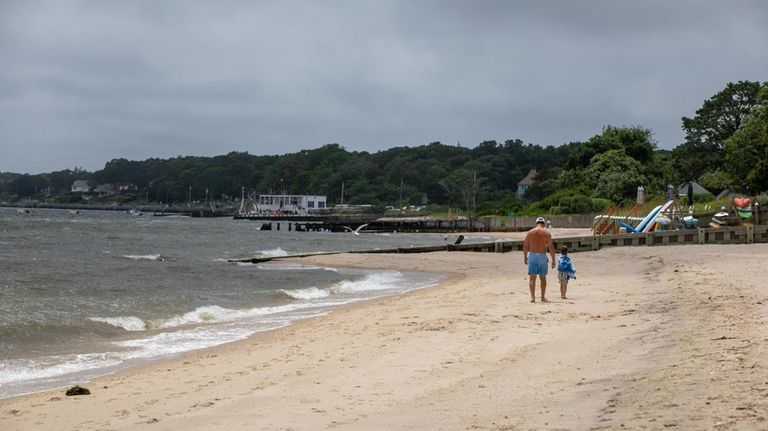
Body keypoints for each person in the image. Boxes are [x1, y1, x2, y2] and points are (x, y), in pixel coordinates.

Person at [523, 216, 555, 302]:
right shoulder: (547, 233)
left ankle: (532, 297)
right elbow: (551, 247)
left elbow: (525, 245)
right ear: (544, 224)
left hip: (532, 255)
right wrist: (553, 260)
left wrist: (525, 257)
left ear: (536, 223)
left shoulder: (530, 232)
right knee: (543, 278)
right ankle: (542, 297)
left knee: (532, 278)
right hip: (542, 256)